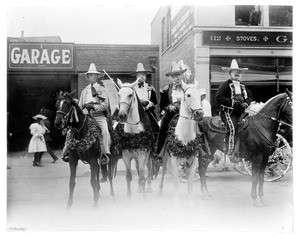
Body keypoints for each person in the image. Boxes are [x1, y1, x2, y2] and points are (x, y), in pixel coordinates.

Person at [215, 59, 252, 159]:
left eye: (238, 72)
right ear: (230, 73)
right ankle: (229, 150)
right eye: (235, 72)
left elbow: (249, 97)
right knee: (233, 128)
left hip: (242, 112)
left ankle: (245, 150)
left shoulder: (243, 86)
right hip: (228, 112)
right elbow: (218, 97)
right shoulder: (225, 85)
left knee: (250, 127)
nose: (237, 74)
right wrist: (232, 102)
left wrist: (246, 103)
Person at [154, 61, 187, 166]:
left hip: (185, 114)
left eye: (179, 75)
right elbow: (162, 104)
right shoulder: (167, 89)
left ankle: (203, 152)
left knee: (199, 128)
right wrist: (169, 106)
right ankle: (159, 154)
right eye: (175, 76)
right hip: (172, 114)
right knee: (163, 129)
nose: (177, 77)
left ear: (182, 75)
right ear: (172, 77)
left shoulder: (188, 88)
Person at [78, 63, 112, 165]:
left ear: (97, 76)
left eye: (94, 75)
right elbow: (80, 106)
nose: (92, 77)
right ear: (88, 77)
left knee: (105, 131)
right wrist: (83, 109)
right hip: (87, 117)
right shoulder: (84, 91)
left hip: (99, 116)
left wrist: (93, 106)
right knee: (74, 130)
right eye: (90, 75)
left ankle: (106, 152)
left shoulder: (102, 89)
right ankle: (69, 151)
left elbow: (105, 105)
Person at [132, 63, 159, 133]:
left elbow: (155, 101)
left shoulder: (150, 87)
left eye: (144, 75)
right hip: (136, 112)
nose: (142, 77)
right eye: (140, 75)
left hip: (148, 111)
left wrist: (148, 103)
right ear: (136, 76)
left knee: (155, 128)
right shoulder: (132, 88)